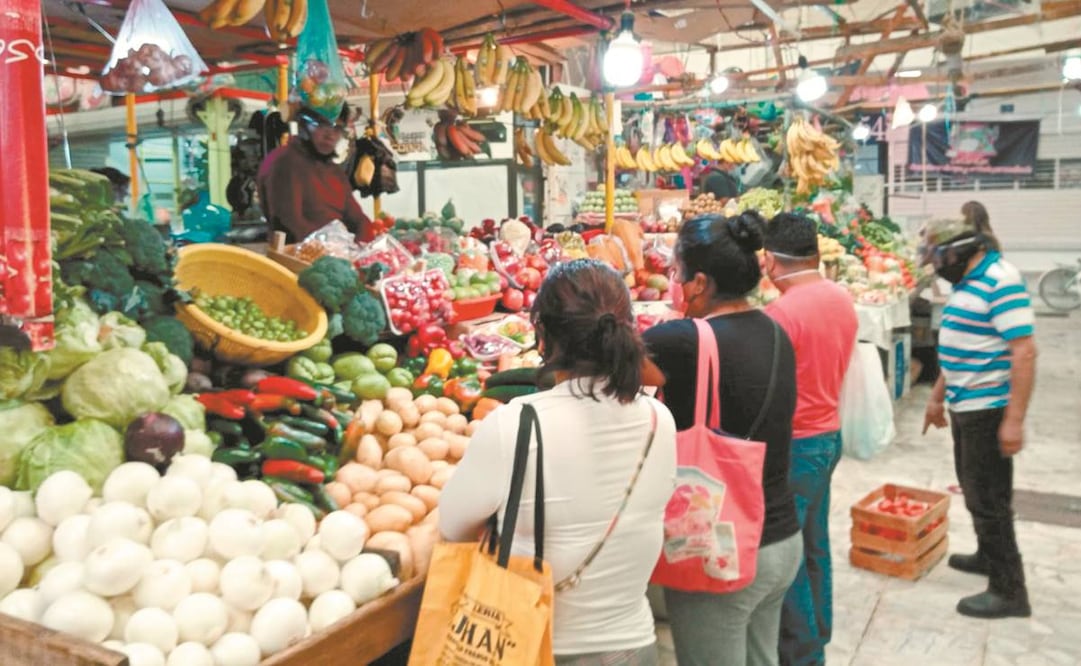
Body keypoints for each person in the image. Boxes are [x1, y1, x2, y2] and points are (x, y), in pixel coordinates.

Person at [439, 259, 677, 665]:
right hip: (634, 649)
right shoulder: (659, 419)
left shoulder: (514, 424)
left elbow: (452, 526)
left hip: (535, 647)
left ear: (543, 337)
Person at [642, 213, 801, 666]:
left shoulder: (682, 340)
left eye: (676, 273)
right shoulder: (776, 331)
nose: (673, 282)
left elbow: (602, 373)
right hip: (782, 541)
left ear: (699, 283)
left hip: (720, 550)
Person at [921, 217, 1036, 619]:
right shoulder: (969, 281)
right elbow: (958, 344)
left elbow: (1024, 351)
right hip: (964, 404)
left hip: (988, 408)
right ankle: (989, 555)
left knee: (989, 500)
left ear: (962, 250)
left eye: (940, 256)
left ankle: (1009, 590)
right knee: (975, 490)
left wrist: (1014, 421)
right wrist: (937, 398)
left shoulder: (1000, 279)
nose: (937, 265)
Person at [762, 212, 858, 666]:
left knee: (790, 557)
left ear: (769, 260)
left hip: (796, 444)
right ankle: (818, 633)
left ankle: (803, 655)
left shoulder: (781, 314)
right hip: (827, 435)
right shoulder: (840, 297)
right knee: (814, 544)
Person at [256, 105, 372, 244]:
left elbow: (358, 218)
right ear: (304, 126)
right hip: (298, 256)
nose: (330, 135)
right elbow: (291, 223)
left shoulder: (334, 171)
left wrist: (364, 245)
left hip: (337, 251)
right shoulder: (284, 161)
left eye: (337, 129)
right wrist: (335, 248)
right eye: (322, 125)